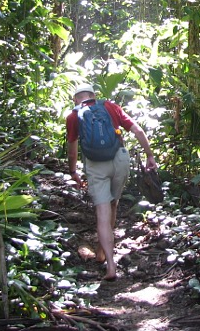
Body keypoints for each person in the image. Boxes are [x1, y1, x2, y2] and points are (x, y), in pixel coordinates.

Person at [66, 83, 157, 281]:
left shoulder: (74, 116)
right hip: (119, 160)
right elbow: (138, 131)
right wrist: (150, 155)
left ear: (75, 99)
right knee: (113, 203)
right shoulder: (110, 106)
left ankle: (110, 265)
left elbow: (72, 150)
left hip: (95, 166)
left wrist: (73, 171)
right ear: (93, 95)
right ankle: (101, 252)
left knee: (102, 212)